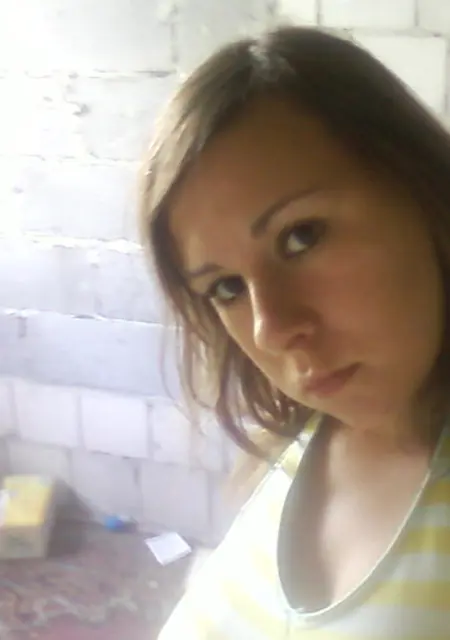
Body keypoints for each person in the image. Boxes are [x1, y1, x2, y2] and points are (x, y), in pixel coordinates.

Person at [140, 26, 450, 639]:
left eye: (301, 236)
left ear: (425, 194)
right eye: (226, 287)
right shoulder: (305, 439)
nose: (271, 329)